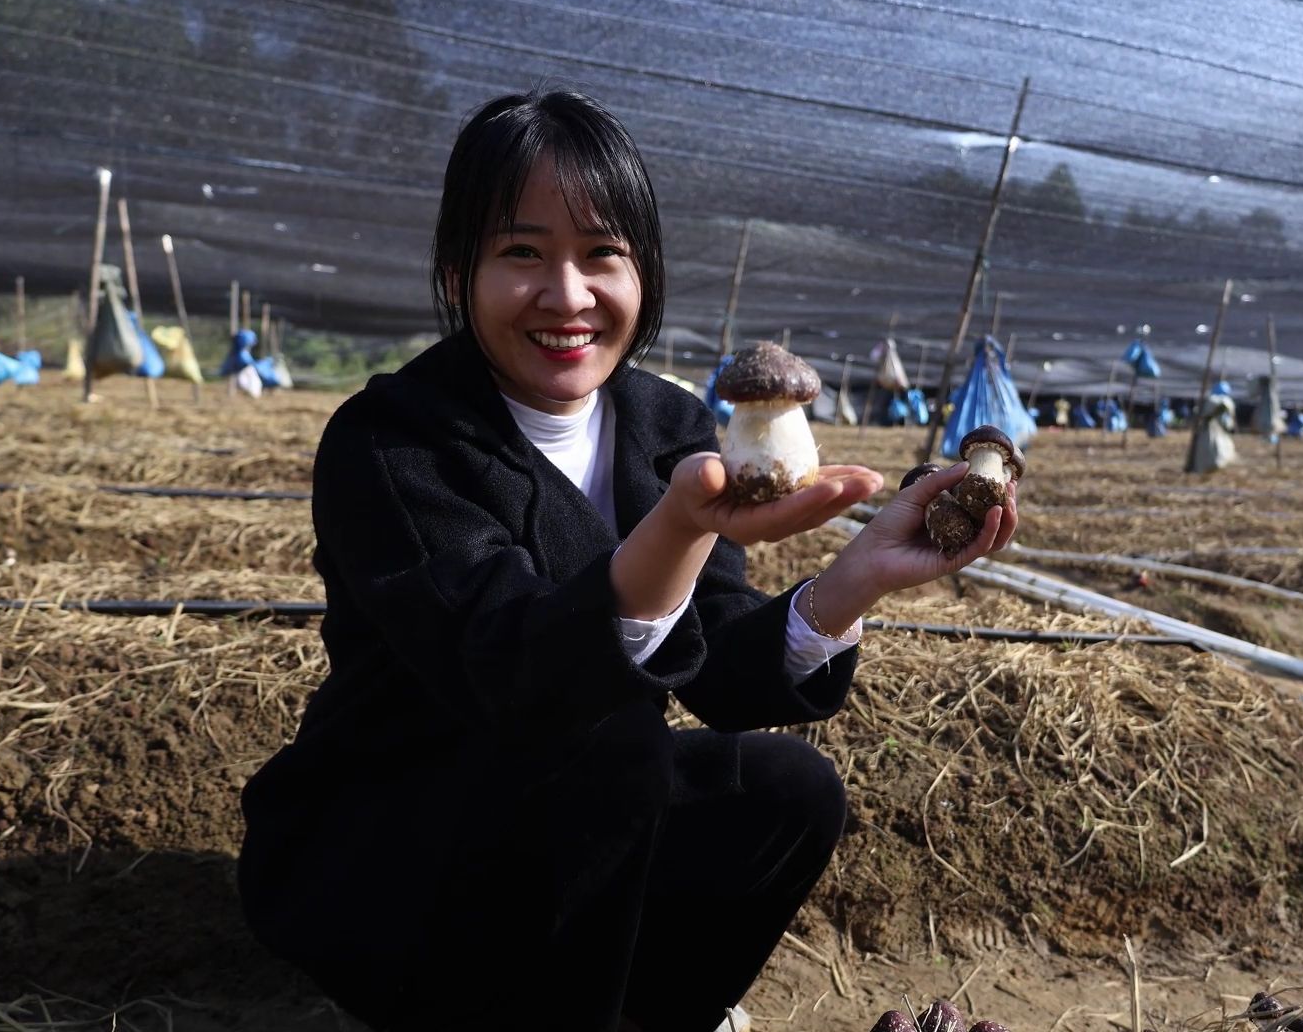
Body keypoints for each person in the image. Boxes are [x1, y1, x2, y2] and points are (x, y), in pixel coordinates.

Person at [236, 89, 1018, 1032]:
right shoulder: (393, 444)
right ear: (458, 270)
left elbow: (722, 670)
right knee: (613, 740)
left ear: (642, 270)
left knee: (784, 795)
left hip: (568, 834)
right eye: (521, 253)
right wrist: (681, 530)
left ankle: (660, 1013)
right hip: (398, 851)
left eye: (602, 253)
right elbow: (512, 670)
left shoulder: (669, 425)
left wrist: (860, 576)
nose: (567, 296)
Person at [1190, 380, 1237, 475]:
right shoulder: (1223, 402)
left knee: (1208, 449)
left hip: (1208, 430)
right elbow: (1227, 421)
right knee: (1216, 449)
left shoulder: (1210, 401)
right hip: (1215, 430)